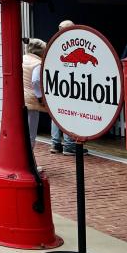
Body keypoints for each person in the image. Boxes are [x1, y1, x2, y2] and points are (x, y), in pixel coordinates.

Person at [50, 19, 81, 155]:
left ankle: (56, 144)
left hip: (57, 84)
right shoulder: (73, 43)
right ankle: (69, 145)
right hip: (69, 84)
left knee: (57, 114)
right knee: (69, 113)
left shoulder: (54, 44)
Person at [23, 38, 47, 149]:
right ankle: (30, 163)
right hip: (32, 100)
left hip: (21, 98)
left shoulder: (23, 58)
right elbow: (36, 81)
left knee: (23, 133)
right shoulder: (38, 63)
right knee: (31, 134)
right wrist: (41, 97)